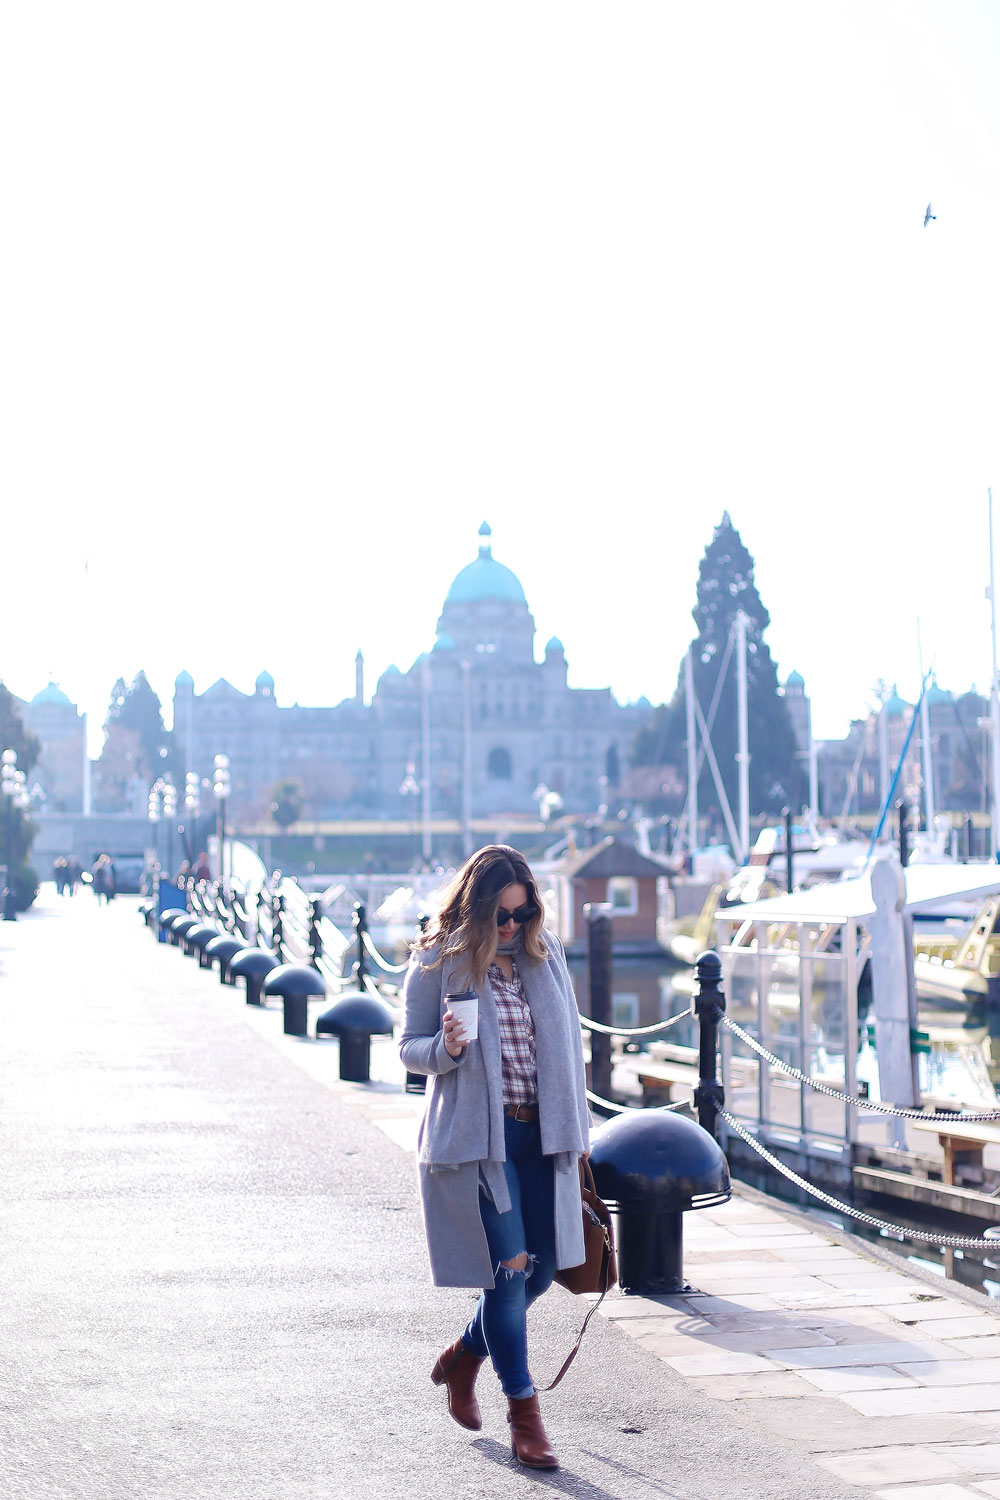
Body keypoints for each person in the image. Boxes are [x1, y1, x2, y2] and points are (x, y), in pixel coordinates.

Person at [400, 845, 590, 1471]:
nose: (512, 926)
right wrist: (446, 1049)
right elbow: (408, 1048)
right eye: (501, 916)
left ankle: (464, 1355)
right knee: (508, 1273)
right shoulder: (439, 961)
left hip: (543, 1138)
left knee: (540, 1272)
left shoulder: (544, 953)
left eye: (523, 911)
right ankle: (525, 1415)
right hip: (481, 1143)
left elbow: (567, 1048)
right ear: (478, 909)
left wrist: (578, 1135)